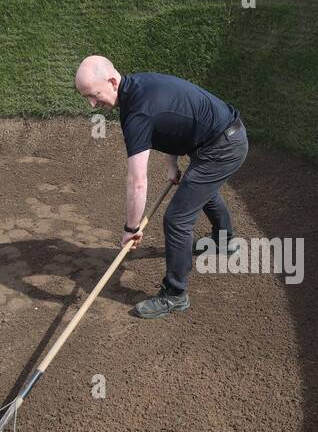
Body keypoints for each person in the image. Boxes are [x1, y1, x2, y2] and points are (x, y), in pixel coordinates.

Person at [74, 56, 249, 318]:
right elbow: (169, 125)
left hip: (223, 147)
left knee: (177, 219)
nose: (92, 104)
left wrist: (131, 229)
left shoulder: (137, 113)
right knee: (198, 189)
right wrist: (171, 165)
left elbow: (137, 181)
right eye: (86, 97)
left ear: (111, 81)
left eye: (94, 95)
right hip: (217, 138)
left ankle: (175, 294)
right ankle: (223, 241)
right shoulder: (138, 86)